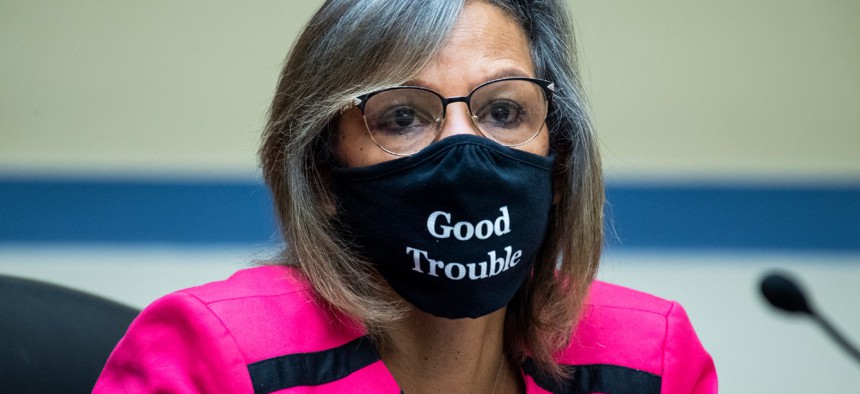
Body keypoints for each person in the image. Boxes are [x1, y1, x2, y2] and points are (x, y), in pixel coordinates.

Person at [95, 0, 717, 393]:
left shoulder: (647, 362)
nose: (462, 151)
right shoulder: (218, 357)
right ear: (321, 174)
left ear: (558, 168)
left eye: (503, 110)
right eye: (401, 118)